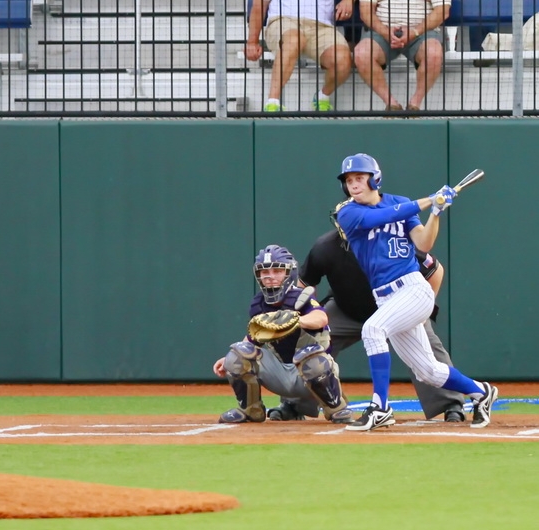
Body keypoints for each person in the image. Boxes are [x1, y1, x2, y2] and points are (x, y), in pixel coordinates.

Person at [333, 153, 498, 431]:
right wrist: (428, 200)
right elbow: (387, 216)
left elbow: (423, 243)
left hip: (412, 289)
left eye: (360, 178)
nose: (354, 185)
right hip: (385, 297)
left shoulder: (399, 201)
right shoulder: (348, 212)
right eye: (349, 180)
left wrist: (436, 212)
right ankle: (482, 392)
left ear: (375, 179)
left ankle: (380, 408)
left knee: (372, 330)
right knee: (428, 371)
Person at [296, 213, 465, 423]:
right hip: (346, 309)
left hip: (397, 309)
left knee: (428, 348)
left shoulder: (392, 240)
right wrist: (302, 313)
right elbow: (303, 286)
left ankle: (451, 405)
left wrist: (424, 309)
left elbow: (434, 270)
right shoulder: (325, 247)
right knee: (309, 339)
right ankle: (294, 404)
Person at [213, 244, 353, 424]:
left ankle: (336, 409)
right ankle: (250, 410)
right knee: (237, 353)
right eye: (264, 272)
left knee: (311, 356)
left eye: (277, 271)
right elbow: (253, 338)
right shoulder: (258, 304)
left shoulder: (301, 297)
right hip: (279, 371)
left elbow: (321, 318)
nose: (270, 276)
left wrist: (296, 320)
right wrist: (229, 360)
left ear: (289, 273)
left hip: (312, 374)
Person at [245, 0, 354, 111]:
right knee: (294, 40)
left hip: (322, 25)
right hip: (283, 20)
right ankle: (272, 103)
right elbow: (259, 4)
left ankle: (322, 97)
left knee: (343, 59)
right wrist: (252, 42)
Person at [353, 0, 451, 111]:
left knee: (434, 53)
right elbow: (366, 11)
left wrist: (414, 32)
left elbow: (442, 11)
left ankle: (415, 105)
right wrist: (385, 32)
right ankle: (391, 104)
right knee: (361, 54)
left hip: (423, 32)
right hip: (382, 31)